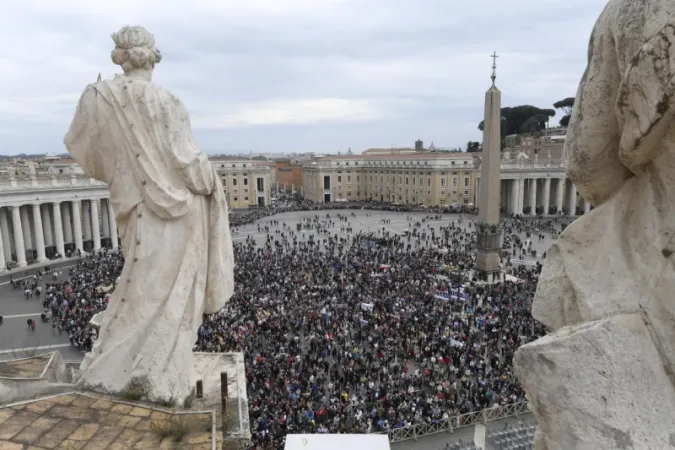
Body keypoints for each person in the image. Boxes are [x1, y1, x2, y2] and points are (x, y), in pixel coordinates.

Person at [64, 25, 235, 403]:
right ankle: (153, 372)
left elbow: (85, 152)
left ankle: (138, 369)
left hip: (136, 206)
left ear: (120, 56)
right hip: (180, 216)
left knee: (141, 286)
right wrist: (213, 182)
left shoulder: (96, 98)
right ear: (152, 58)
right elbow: (190, 165)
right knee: (167, 296)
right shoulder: (167, 103)